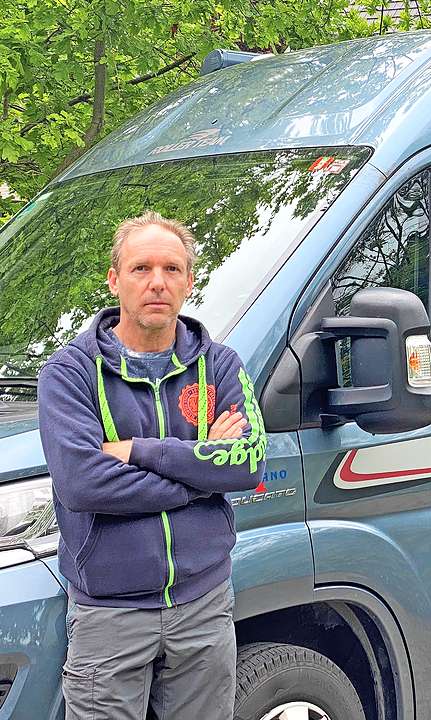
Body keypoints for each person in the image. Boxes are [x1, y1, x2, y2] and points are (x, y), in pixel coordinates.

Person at [37, 211, 267, 719]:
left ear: (188, 281)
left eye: (172, 269)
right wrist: (201, 477)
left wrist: (141, 452)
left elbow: (248, 464)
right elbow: (82, 484)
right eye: (141, 269)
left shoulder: (221, 364)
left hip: (205, 603)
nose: (157, 282)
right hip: (109, 614)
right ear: (115, 280)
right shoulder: (69, 373)